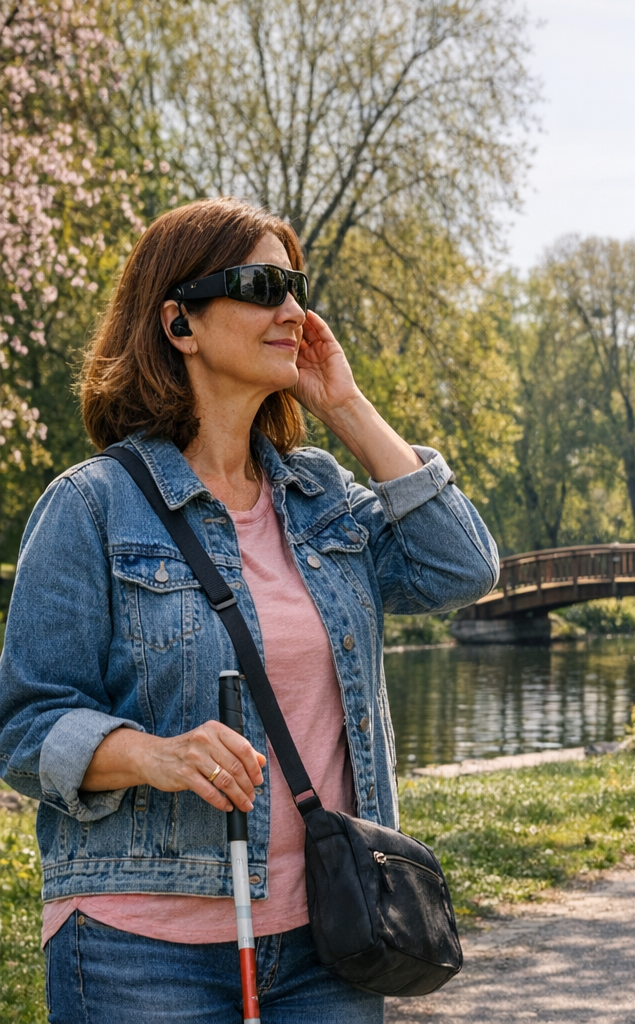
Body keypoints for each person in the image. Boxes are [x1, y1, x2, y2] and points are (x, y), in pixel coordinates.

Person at [0, 198, 500, 1023]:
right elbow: (23, 728)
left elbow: (462, 566)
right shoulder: (90, 508)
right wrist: (152, 755)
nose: (293, 311)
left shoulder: (322, 500)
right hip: (140, 947)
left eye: (296, 286)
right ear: (179, 324)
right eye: (263, 285)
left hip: (331, 936)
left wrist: (347, 406)